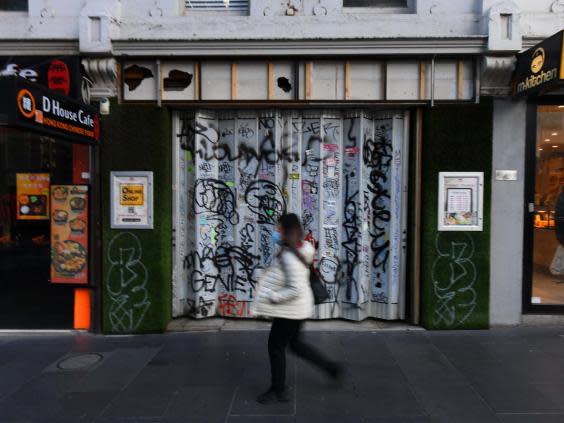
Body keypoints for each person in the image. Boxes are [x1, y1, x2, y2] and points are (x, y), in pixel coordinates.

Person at [253, 213, 343, 405]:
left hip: (290, 310)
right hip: (299, 308)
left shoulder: (289, 257)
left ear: (287, 232)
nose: (276, 233)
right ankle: (331, 368)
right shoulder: (303, 248)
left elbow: (294, 288)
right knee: (295, 344)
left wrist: (273, 296)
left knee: (275, 346)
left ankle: (278, 390)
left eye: (279, 230)